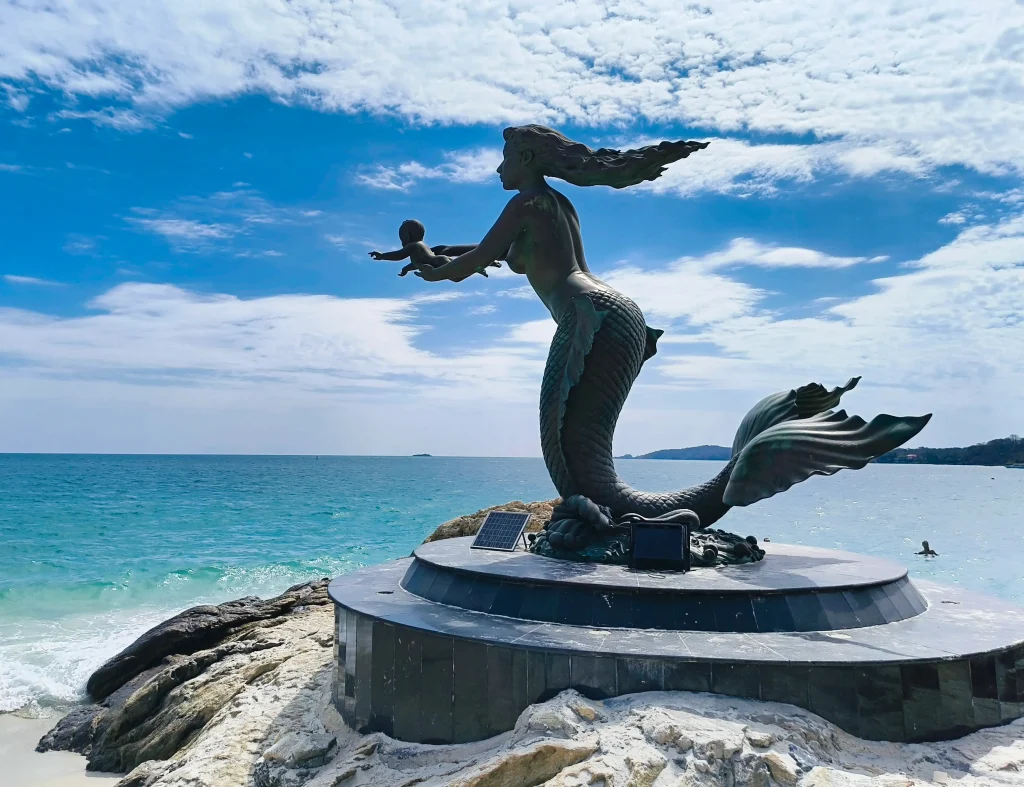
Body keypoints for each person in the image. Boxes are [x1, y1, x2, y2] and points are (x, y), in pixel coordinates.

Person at [369, 219, 500, 277]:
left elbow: (399, 255)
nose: (402, 241)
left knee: (457, 276)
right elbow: (417, 263)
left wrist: (382, 256)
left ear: (408, 236)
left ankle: (481, 262)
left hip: (439, 262)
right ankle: (479, 265)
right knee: (458, 277)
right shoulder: (420, 249)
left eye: (402, 237)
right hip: (441, 261)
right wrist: (405, 269)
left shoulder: (414, 246)